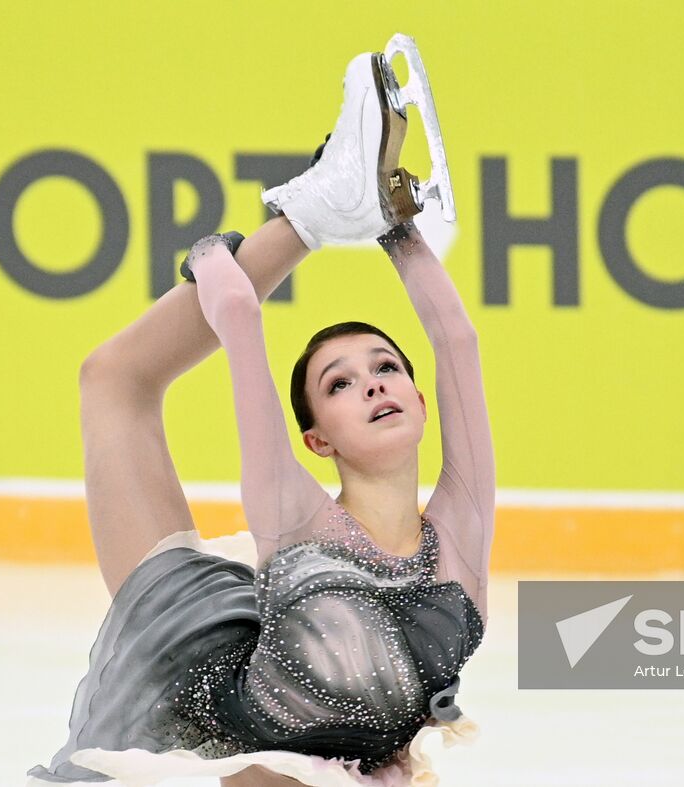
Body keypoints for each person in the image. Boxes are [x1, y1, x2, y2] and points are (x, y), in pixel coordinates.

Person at [27, 41, 493, 787]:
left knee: (113, 381)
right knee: (113, 380)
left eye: (385, 368)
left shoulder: (463, 530)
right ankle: (320, 205)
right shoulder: (297, 515)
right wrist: (218, 257)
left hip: (316, 757)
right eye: (339, 385)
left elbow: (457, 341)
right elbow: (238, 315)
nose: (374, 385)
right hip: (194, 711)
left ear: (419, 397)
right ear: (315, 437)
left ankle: (330, 203)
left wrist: (395, 224)